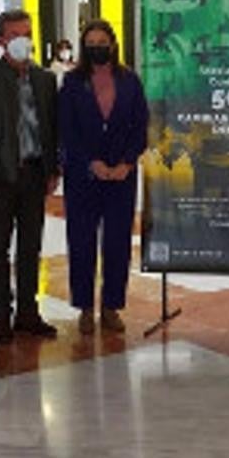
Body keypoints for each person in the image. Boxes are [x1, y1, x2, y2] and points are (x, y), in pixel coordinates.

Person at [0, 9, 61, 344]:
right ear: (1, 40)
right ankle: (2, 315)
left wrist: (53, 169)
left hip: (35, 174)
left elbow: (52, 129)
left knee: (30, 247)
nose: (23, 41)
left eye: (27, 33)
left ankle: (27, 312)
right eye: (15, 35)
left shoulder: (46, 79)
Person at [59, 20, 149, 335]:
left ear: (112, 44)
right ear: (85, 47)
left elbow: (141, 125)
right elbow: (67, 130)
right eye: (91, 42)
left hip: (122, 177)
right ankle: (84, 307)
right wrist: (90, 161)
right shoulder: (72, 82)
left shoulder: (130, 81)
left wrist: (127, 162)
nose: (97, 47)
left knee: (117, 243)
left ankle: (112, 306)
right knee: (82, 242)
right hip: (84, 177)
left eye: (102, 41)